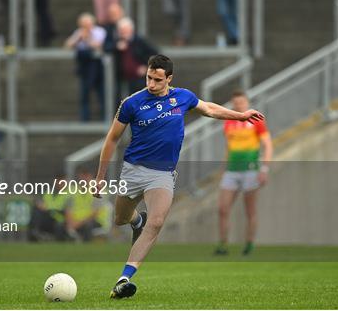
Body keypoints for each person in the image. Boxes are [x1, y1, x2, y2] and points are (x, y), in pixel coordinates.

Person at [93, 54, 264, 298]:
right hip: (132, 171)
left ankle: (123, 279)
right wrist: (100, 177)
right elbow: (112, 138)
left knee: (157, 221)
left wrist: (240, 115)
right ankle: (135, 221)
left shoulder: (182, 97)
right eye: (149, 78)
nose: (151, 84)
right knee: (120, 219)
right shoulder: (131, 103)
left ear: (169, 79)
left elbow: (210, 109)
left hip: (162, 174)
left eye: (157, 80)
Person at [214, 90, 273, 257]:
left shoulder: (256, 121)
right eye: (236, 103)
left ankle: (249, 244)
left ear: (247, 103)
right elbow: (229, 146)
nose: (239, 105)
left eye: (242, 102)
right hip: (232, 170)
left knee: (250, 210)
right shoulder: (229, 123)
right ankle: (223, 245)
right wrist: (223, 167)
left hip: (250, 170)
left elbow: (268, 145)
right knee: (223, 208)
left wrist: (264, 169)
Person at [64, 13, 107, 122]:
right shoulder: (79, 32)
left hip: (98, 66)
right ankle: (85, 118)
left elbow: (99, 45)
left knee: (101, 93)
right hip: (84, 66)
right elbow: (67, 45)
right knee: (84, 93)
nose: (86, 27)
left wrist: (87, 39)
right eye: (83, 25)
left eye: (88, 24)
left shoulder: (99, 31)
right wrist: (78, 38)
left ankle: (104, 117)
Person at [105, 17, 158, 104]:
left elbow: (155, 53)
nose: (122, 33)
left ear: (131, 30)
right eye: (121, 30)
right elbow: (106, 47)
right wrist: (116, 46)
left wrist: (146, 67)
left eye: (125, 30)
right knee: (118, 99)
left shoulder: (139, 41)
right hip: (121, 76)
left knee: (137, 99)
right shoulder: (117, 41)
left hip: (137, 76)